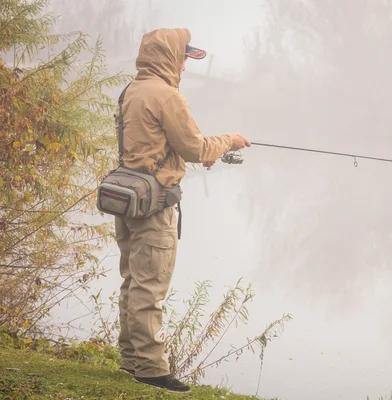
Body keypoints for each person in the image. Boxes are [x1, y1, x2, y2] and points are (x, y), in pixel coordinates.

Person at [114, 28, 250, 392]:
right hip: (154, 205)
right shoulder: (167, 95)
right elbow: (193, 147)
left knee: (132, 281)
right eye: (184, 58)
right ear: (169, 56)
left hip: (127, 198)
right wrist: (229, 142)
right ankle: (151, 369)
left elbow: (153, 144)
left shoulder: (132, 90)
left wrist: (200, 153)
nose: (185, 67)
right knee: (150, 286)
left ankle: (131, 359)